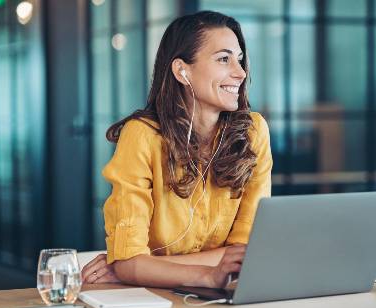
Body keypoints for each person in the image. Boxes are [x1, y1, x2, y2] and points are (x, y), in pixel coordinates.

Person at [81, 11, 272, 289]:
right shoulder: (143, 135)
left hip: (222, 300)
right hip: (155, 303)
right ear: (182, 70)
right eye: (223, 59)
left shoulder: (254, 132)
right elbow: (129, 260)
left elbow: (245, 255)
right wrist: (207, 272)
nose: (240, 73)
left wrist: (140, 268)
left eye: (239, 60)